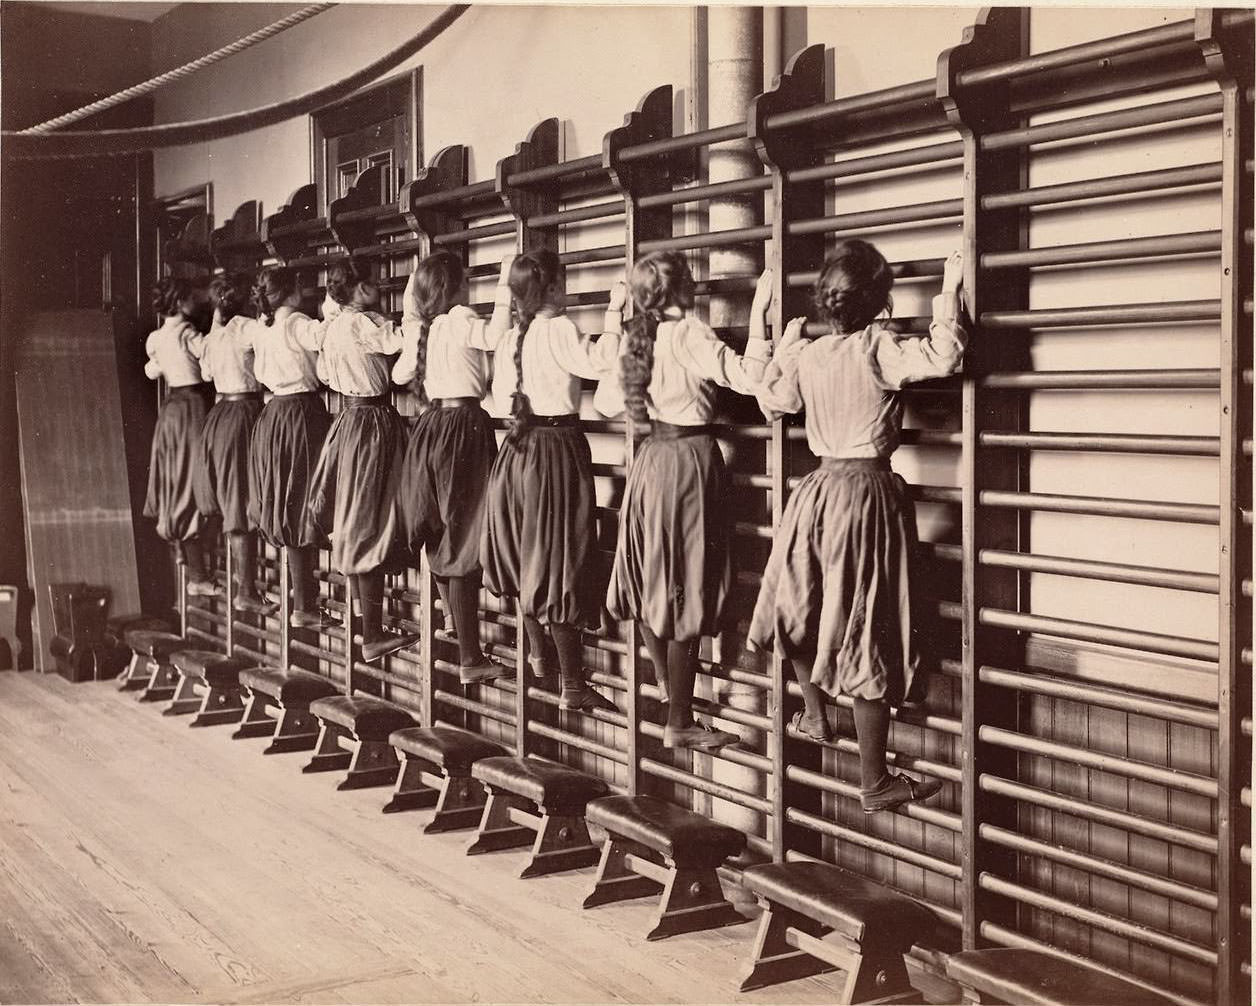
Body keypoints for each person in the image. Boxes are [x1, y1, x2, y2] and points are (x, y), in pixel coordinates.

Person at [749, 240, 967, 814]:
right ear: (880, 302)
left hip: (816, 493)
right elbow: (945, 356)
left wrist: (785, 344)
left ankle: (816, 714)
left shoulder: (810, 355)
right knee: (869, 623)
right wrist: (949, 291)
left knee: (798, 601)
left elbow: (770, 399)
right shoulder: (879, 346)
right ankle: (874, 780)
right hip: (866, 495)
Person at [599, 251, 773, 750]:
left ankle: (666, 688)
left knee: (654, 578)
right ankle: (679, 717)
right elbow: (748, 378)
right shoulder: (689, 332)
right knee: (687, 581)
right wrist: (758, 320)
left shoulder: (637, 335)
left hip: (650, 460)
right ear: (683, 289)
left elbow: (608, 403)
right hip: (689, 462)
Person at [481, 249, 621, 712]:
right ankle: (573, 686)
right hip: (556, 452)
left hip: (517, 451)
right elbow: (601, 363)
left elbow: (500, 400)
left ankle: (541, 655)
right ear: (552, 289)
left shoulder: (511, 339)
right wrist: (616, 315)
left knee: (529, 559)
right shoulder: (560, 328)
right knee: (559, 561)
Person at [393, 251, 513, 684]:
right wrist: (504, 279)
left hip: (430, 429)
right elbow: (498, 334)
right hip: (463, 428)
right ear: (456, 288)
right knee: (465, 536)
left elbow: (398, 371)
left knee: (441, 532)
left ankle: (453, 623)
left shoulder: (423, 329)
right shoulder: (461, 317)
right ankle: (469, 656)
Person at [305, 258, 416, 663]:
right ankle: (371, 633)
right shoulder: (362, 323)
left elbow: (326, 374)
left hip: (348, 420)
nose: (378, 288)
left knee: (357, 518)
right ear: (358, 289)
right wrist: (417, 312)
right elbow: (398, 340)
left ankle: (367, 626)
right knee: (369, 519)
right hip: (371, 422)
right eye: (372, 283)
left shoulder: (333, 326)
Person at [246, 266, 336, 630]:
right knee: (305, 503)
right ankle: (305, 606)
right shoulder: (296, 322)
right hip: (301, 414)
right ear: (289, 292)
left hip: (274, 415)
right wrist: (334, 305)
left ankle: (304, 603)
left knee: (289, 502)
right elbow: (325, 335)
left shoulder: (262, 327)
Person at [195, 271, 273, 615]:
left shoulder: (214, 335)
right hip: (242, 414)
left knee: (233, 498)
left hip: (219, 415)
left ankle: (246, 587)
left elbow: (206, 375)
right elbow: (271, 341)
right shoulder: (245, 327)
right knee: (242, 499)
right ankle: (246, 591)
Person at [143, 275, 217, 596]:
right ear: (180, 302)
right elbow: (208, 359)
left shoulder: (156, 337)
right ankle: (198, 576)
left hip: (171, 409)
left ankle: (185, 559)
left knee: (175, 481)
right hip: (191, 408)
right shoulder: (188, 333)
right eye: (191, 296)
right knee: (191, 483)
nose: (196, 300)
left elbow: (152, 370)